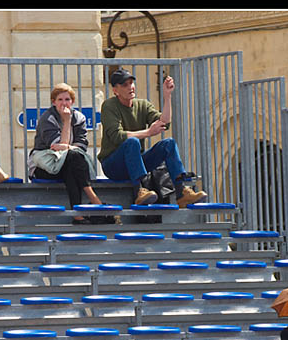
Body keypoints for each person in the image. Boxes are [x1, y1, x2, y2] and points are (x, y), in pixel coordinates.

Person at [98, 69, 207, 207]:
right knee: (132, 142)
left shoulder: (142, 104)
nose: (130, 87)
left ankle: (182, 192)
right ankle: (140, 191)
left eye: (131, 83)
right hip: (113, 165)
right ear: (115, 90)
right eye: (125, 85)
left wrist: (167, 96)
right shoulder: (109, 106)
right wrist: (148, 132)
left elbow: (164, 123)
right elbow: (117, 136)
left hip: (135, 162)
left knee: (169, 143)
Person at [28, 83, 106, 225]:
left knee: (72, 162)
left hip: (67, 165)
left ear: (72, 102)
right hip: (45, 167)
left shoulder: (79, 118)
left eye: (67, 100)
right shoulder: (47, 118)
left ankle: (77, 215)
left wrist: (67, 146)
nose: (64, 103)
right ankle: (93, 198)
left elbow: (81, 145)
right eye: (60, 100)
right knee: (72, 158)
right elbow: (59, 150)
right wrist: (66, 121)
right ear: (53, 102)